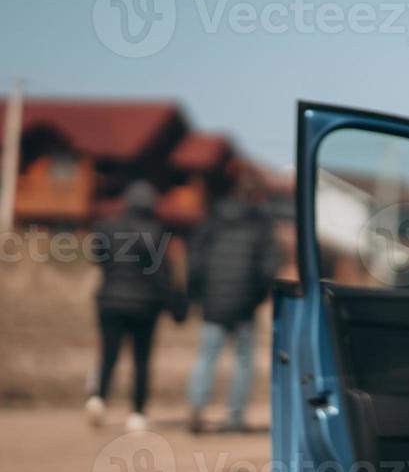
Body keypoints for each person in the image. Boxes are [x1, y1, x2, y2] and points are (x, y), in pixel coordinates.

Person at [185, 179, 279, 433]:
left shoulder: (210, 223)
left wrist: (197, 296)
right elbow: (269, 268)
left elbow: (194, 264)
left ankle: (197, 405)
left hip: (212, 304)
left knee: (206, 356)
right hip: (244, 307)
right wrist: (257, 297)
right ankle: (235, 417)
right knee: (243, 360)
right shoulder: (259, 226)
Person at [86, 181, 178, 433]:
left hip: (109, 300)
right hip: (144, 306)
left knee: (108, 354)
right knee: (141, 360)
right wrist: (173, 304)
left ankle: (98, 399)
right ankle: (136, 414)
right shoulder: (156, 232)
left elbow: (99, 259)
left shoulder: (108, 227)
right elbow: (163, 274)